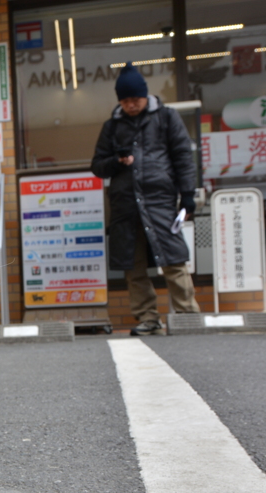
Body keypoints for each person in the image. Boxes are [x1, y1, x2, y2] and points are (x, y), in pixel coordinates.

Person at [91, 63, 200, 336]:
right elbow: (97, 166)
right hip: (125, 206)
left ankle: (187, 315)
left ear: (145, 95)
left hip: (160, 201)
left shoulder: (166, 118)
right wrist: (117, 161)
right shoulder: (111, 126)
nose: (131, 105)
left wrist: (187, 196)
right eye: (125, 100)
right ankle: (148, 318)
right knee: (133, 265)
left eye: (135, 99)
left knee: (173, 261)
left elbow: (184, 159)